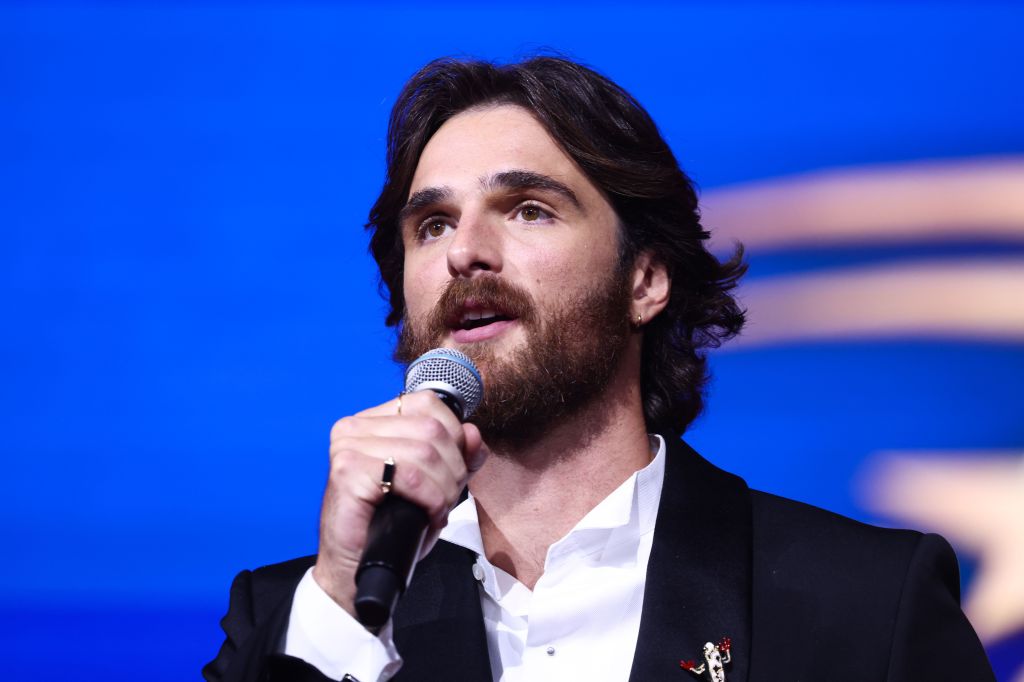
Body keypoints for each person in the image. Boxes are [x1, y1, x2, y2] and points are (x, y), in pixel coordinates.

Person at [204, 56, 994, 682]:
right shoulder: (291, 621)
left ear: (645, 280)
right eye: (432, 224)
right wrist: (345, 596)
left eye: (528, 209)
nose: (465, 252)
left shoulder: (862, 604)